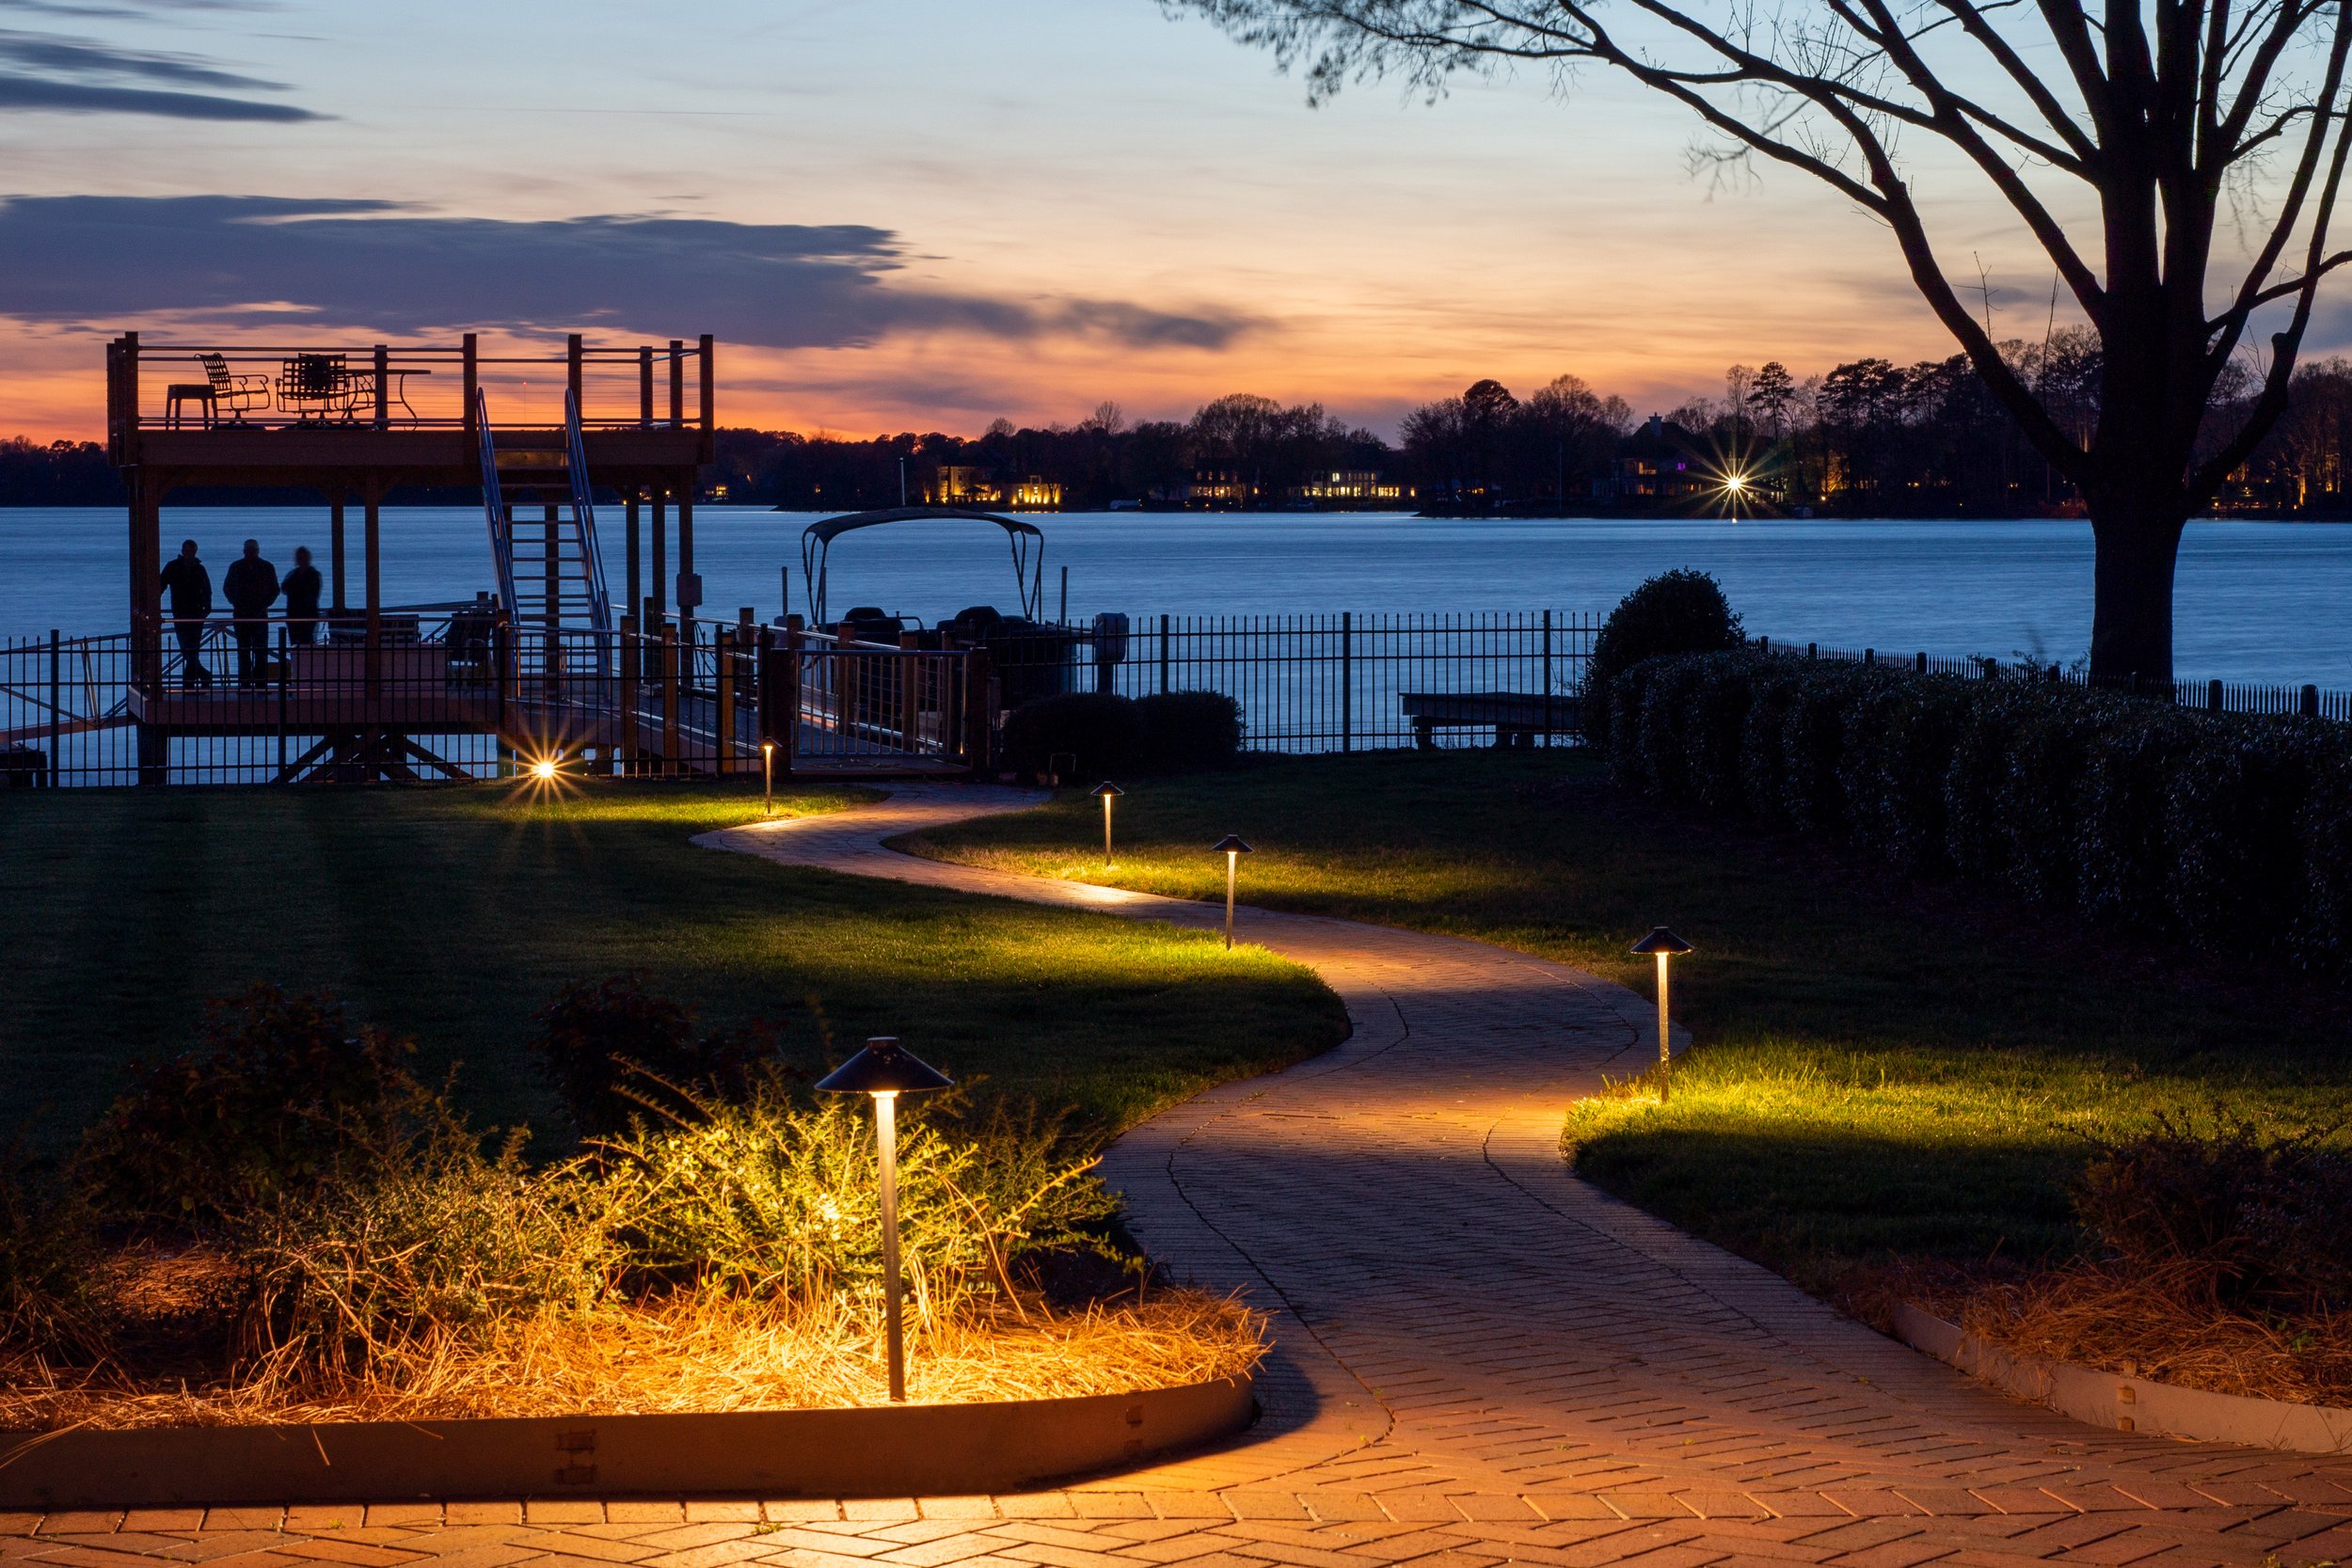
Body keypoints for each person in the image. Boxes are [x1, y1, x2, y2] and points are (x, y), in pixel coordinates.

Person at [221, 538, 280, 688]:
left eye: (252, 551)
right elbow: (227, 588)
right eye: (249, 551)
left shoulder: (243, 567)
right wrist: (239, 603)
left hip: (253, 614)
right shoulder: (263, 567)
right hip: (249, 614)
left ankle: (254, 682)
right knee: (247, 650)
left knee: (255, 650)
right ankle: (249, 682)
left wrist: (261, 604)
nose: (251, 553)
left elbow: (275, 590)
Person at [157, 539, 213, 689]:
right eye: (187, 551)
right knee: (187, 648)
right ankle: (201, 676)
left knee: (191, 647)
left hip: (195, 613)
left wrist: (206, 609)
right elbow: (161, 585)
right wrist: (155, 603)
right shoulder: (173, 567)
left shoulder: (199, 569)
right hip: (180, 612)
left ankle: (190, 681)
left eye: (191, 551)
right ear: (182, 551)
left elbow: (207, 590)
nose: (188, 554)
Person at [281, 546, 324, 647]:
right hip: (295, 615)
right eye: (299, 558)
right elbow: (284, 588)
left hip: (307, 616)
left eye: (303, 558)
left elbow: (311, 593)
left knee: (306, 643)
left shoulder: (313, 575)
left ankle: (303, 662)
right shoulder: (294, 574)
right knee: (296, 644)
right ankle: (298, 662)